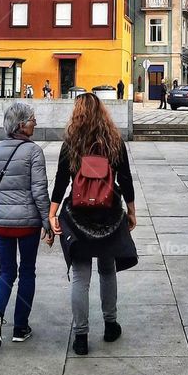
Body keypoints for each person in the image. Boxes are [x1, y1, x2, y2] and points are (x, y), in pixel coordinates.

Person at [49, 93, 137, 356]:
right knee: (107, 270)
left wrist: (52, 214)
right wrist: (131, 212)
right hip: (109, 215)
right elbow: (127, 179)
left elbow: (60, 181)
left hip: (79, 216)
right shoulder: (114, 141)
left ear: (77, 115)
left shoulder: (72, 143)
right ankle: (110, 325)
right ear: (103, 113)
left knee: (80, 275)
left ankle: (81, 337)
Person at [0, 101, 53, 348]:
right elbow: (39, 191)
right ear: (21, 124)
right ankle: (20, 327)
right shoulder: (34, 151)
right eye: (33, 119)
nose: (36, 122)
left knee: (5, 272)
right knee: (26, 271)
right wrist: (47, 221)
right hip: (26, 224)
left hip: (1, 222)